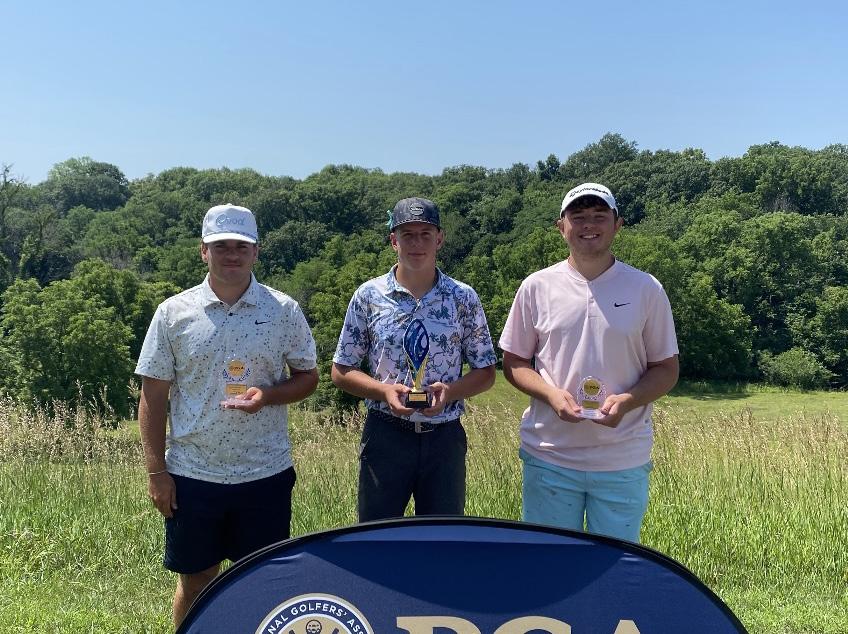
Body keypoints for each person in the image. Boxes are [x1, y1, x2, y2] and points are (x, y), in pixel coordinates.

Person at [135, 203, 318, 628]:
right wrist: (157, 473)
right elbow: (153, 395)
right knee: (196, 580)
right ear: (204, 251)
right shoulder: (173, 313)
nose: (231, 254)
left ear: (256, 252)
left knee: (263, 582)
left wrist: (268, 396)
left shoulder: (283, 309)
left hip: (265, 472)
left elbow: (308, 377)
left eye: (241, 246)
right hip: (193, 475)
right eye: (221, 246)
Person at [499, 183, 679, 543]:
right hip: (549, 455)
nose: (588, 225)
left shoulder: (646, 288)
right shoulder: (536, 286)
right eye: (578, 217)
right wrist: (551, 395)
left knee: (615, 564)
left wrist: (628, 401)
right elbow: (514, 361)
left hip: (622, 459)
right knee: (550, 561)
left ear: (617, 225)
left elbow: (666, 369)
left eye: (599, 216)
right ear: (561, 226)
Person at [331, 197, 497, 522]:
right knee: (376, 535)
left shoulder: (463, 298)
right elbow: (341, 370)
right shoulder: (368, 296)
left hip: (444, 438)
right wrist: (384, 392)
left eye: (425, 234)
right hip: (385, 435)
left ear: (440, 239)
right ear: (394, 241)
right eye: (407, 235)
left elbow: (486, 372)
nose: (417, 243)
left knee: (442, 537)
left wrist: (450, 392)